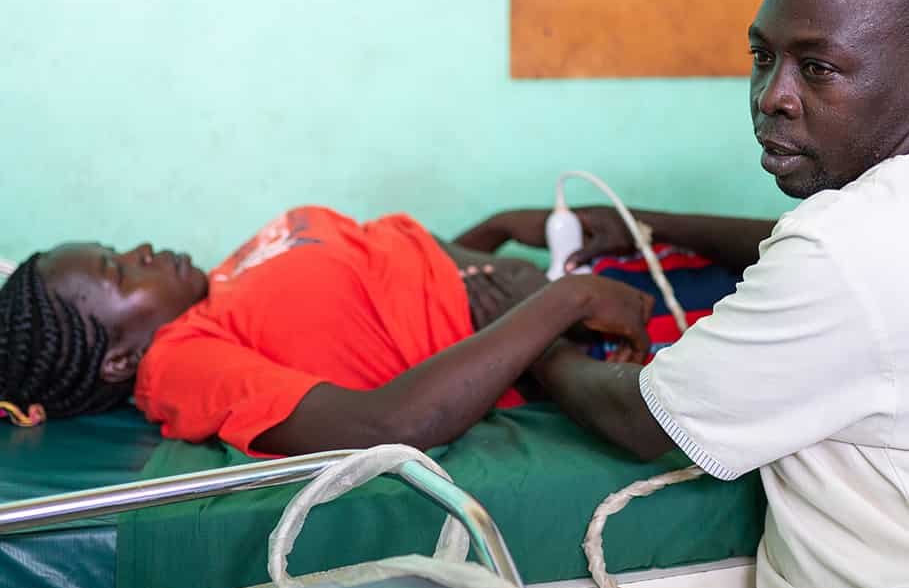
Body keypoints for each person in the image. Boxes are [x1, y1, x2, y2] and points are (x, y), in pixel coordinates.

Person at [505, 0, 909, 588]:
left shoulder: (843, 251)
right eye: (762, 56)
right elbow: (829, 252)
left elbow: (640, 422)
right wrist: (646, 224)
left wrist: (531, 320)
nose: (773, 95)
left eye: (817, 67)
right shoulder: (863, 234)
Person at [0, 206, 655, 455]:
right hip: (560, 339)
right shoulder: (181, 363)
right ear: (117, 361)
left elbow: (378, 293)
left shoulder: (222, 289)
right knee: (757, 264)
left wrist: (491, 229)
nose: (143, 247)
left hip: (540, 288)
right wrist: (563, 302)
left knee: (754, 242)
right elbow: (384, 426)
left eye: (119, 245)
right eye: (118, 270)